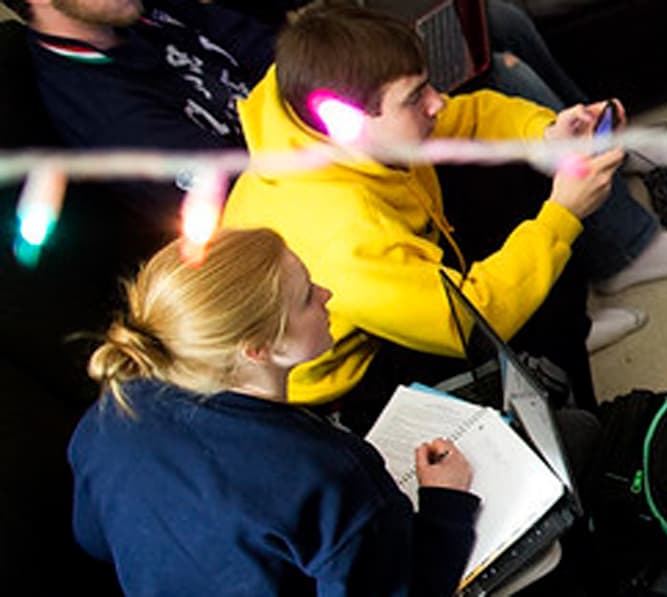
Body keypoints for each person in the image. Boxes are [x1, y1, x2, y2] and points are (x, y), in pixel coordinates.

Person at [13, 0, 667, 296]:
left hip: (327, 110)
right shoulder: (92, 101)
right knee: (498, 78)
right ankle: (623, 248)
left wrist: (354, 69)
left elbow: (277, 51)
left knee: (490, 21)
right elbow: (229, 189)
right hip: (308, 180)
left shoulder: (147, 15)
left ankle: (606, 142)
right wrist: (363, 113)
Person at [219, 3, 614, 428]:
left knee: (532, 220)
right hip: (352, 375)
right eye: (414, 98)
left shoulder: (311, 108)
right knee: (546, 275)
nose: (438, 102)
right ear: (343, 121)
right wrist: (564, 213)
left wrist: (544, 132)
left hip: (401, 278)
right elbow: (472, 319)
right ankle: (578, 420)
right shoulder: (345, 234)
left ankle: (568, 365)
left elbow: (465, 117)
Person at [70, 228, 480, 595]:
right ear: (258, 349)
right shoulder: (330, 475)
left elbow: (93, 540)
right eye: (305, 298)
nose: (325, 295)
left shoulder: (108, 418)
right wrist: (445, 504)